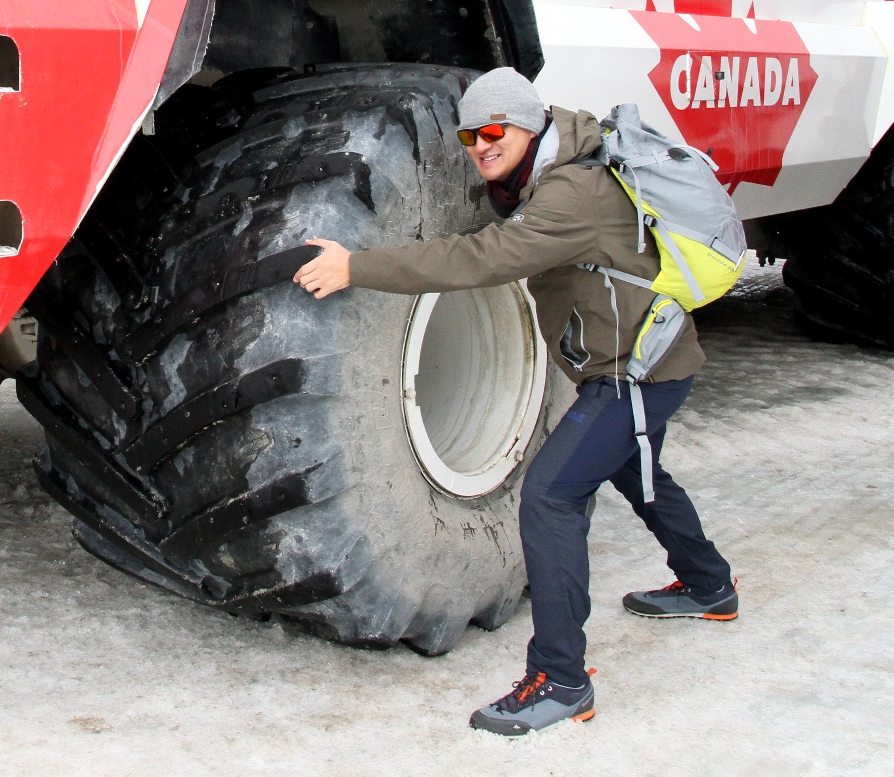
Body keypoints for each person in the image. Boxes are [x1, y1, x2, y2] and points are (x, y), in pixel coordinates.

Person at [293, 67, 735, 738]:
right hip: (635, 364)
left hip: (637, 374)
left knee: (550, 495)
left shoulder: (572, 193)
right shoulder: (556, 169)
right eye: (470, 133)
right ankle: (710, 584)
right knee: (635, 470)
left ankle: (561, 679)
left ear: (528, 124)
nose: (478, 144)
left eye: (492, 130)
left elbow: (482, 258)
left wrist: (359, 266)